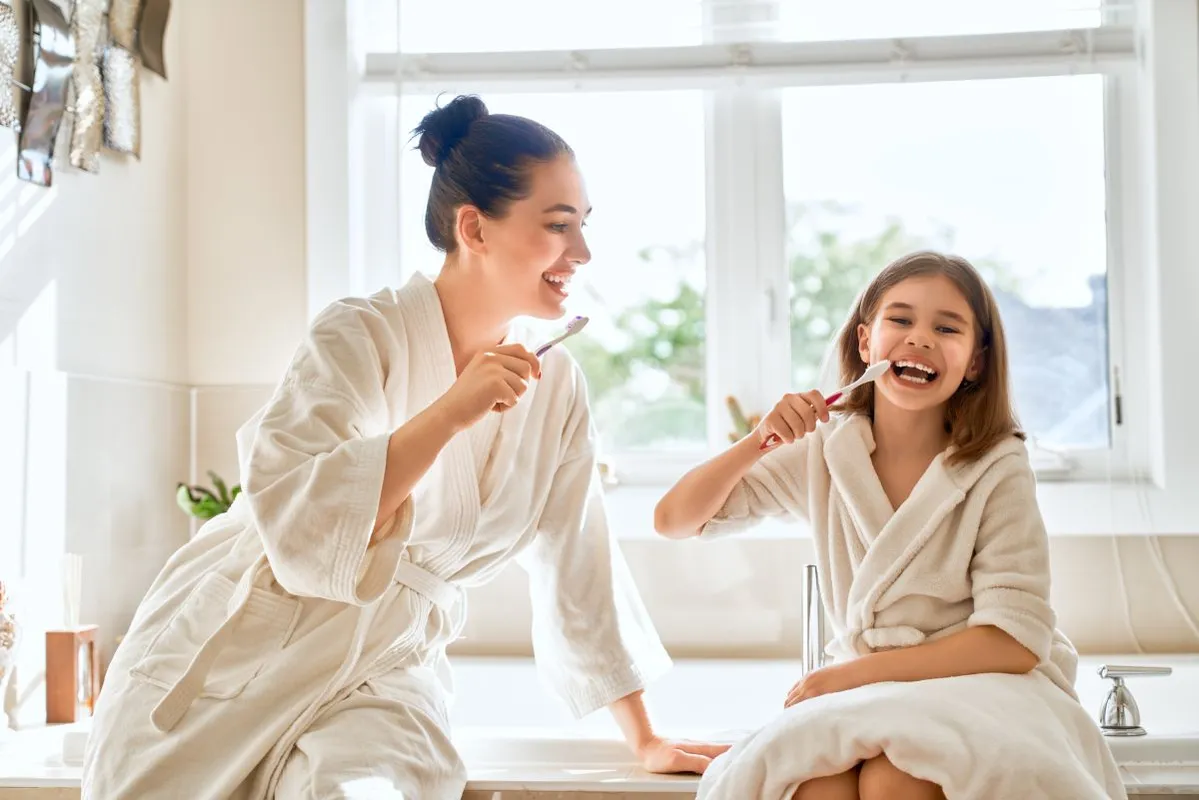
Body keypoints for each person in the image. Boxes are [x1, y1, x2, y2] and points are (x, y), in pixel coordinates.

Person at [83, 94, 728, 799]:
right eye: (557, 226)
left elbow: (579, 559)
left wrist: (644, 736)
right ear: (474, 228)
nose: (582, 253)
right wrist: (449, 413)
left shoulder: (554, 382)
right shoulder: (358, 335)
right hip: (252, 644)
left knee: (373, 786)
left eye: (583, 226)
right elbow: (296, 520)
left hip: (389, 665)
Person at [654, 252, 1125, 800]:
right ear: (864, 342)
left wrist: (850, 675)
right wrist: (759, 440)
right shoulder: (826, 450)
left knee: (895, 781)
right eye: (900, 320)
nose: (920, 338)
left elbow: (1013, 641)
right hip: (867, 692)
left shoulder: (996, 465)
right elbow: (675, 520)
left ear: (975, 361)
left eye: (946, 328)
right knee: (814, 784)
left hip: (982, 687)